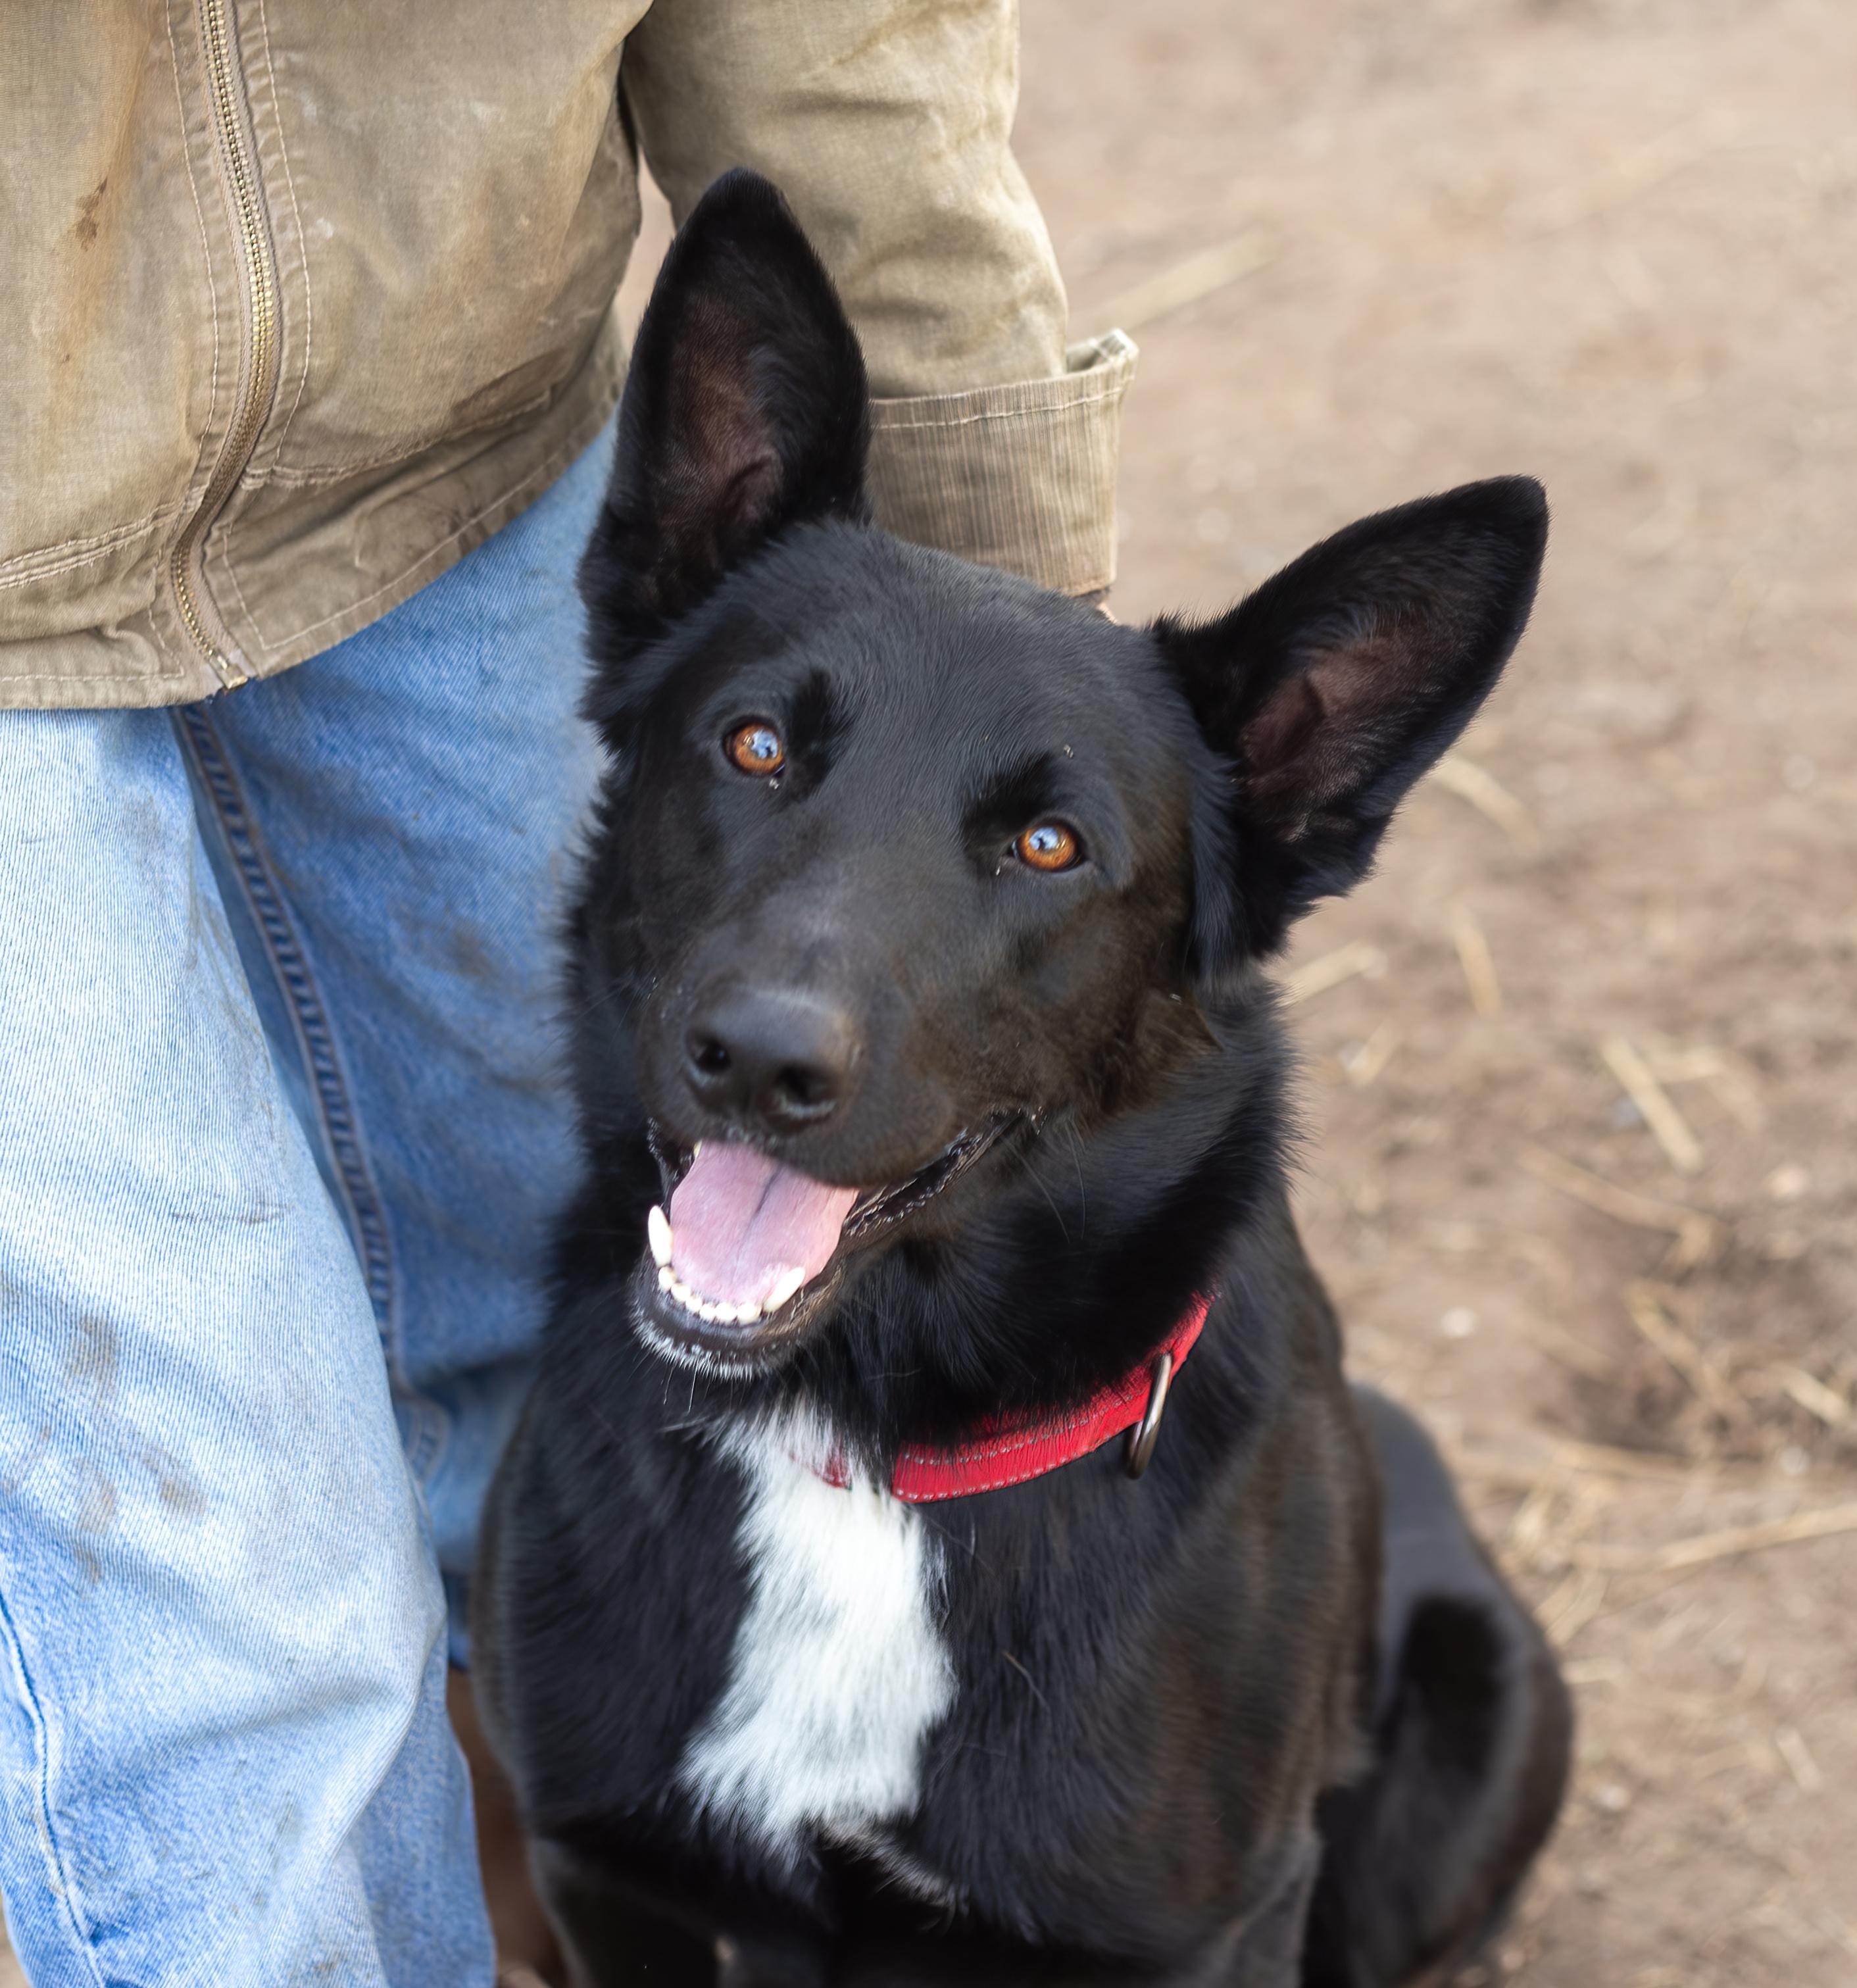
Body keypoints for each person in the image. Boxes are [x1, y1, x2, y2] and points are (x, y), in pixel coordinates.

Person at [0, 3, 1133, 1981]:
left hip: (437, 438)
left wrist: (1006, 651)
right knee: (231, 1605)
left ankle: (548, 1930)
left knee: (618, 1367)